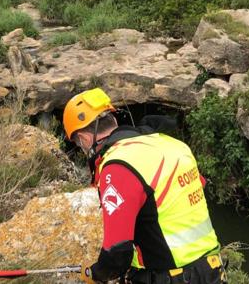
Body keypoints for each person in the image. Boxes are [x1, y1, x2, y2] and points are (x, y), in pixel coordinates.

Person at [63, 88, 225, 284]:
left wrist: (96, 273)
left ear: (84, 139)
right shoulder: (173, 145)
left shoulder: (118, 166)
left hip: (171, 277)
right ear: (113, 120)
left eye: (78, 143)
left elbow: (117, 252)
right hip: (212, 270)